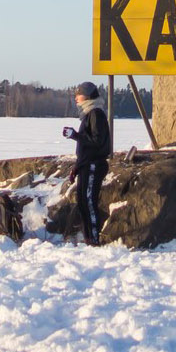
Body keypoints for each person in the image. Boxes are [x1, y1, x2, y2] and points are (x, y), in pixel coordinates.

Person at [73, 80, 112, 245]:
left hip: (94, 165)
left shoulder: (96, 113)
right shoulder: (89, 114)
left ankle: (94, 239)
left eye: (79, 94)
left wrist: (75, 135)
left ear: (87, 96)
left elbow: (96, 141)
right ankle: (88, 237)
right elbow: (86, 145)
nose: (76, 98)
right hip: (86, 165)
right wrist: (77, 167)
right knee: (82, 201)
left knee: (89, 202)